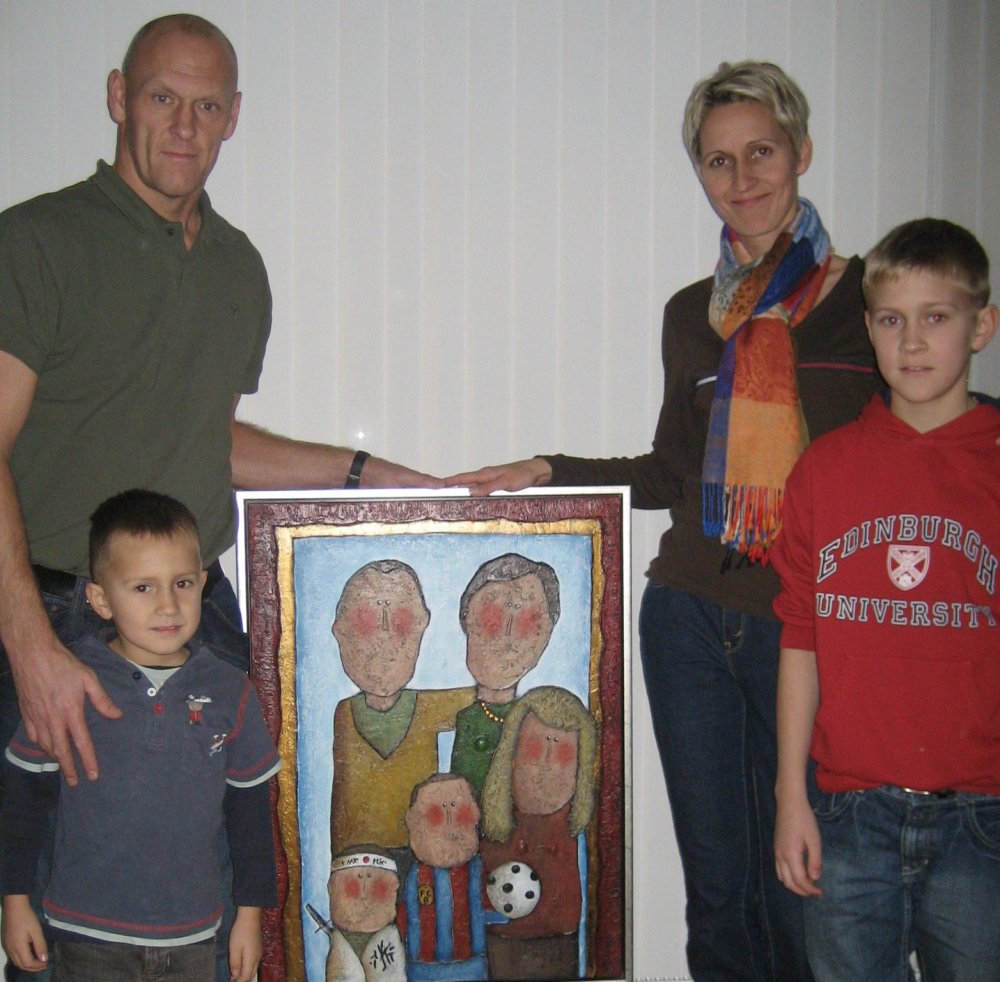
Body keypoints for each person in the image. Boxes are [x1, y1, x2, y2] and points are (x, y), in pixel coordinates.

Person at [448, 60, 882, 979]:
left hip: (804, 624)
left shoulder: (870, 300)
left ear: (801, 151)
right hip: (687, 617)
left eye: (761, 151)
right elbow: (672, 471)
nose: (742, 177)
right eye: (718, 161)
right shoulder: (693, 314)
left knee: (804, 882)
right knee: (718, 887)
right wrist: (546, 470)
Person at [0, 11, 437, 802]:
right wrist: (30, 648)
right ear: (118, 97)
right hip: (58, 609)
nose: (184, 127)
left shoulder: (239, 267)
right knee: (61, 865)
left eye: (206, 106)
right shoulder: (35, 241)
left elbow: (208, 438)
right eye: (162, 98)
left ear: (232, 115)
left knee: (220, 852)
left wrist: (367, 474)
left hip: (196, 614)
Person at [771, 218, 1000, 979]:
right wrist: (791, 796)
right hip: (848, 814)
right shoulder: (824, 470)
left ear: (981, 326)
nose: (912, 342)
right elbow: (799, 638)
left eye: (936, 317)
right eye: (892, 321)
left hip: (983, 818)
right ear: (869, 329)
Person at [0, 489, 281, 982]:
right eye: (143, 588)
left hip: (194, 940)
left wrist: (249, 918)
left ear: (203, 583)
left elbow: (251, 817)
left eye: (182, 583)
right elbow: (24, 805)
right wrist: (15, 903)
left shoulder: (230, 690)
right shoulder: (68, 688)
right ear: (101, 600)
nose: (168, 606)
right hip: (84, 938)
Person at [330, 561, 472, 857]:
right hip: (359, 861)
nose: (384, 637)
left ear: (421, 629)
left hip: (419, 855)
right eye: (367, 621)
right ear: (341, 632)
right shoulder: (344, 713)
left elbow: (480, 698)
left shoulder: (429, 707)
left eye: (401, 622)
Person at [479, 686, 597, 981]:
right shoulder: (485, 829)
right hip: (496, 952)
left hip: (561, 953)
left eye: (564, 754)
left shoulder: (586, 842)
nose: (547, 764)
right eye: (534, 748)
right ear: (511, 755)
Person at [450, 554, 560, 799]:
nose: (507, 634)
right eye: (492, 617)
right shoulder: (439, 712)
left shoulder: (548, 729)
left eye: (528, 621)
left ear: (544, 638)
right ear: (467, 619)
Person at [397, 774, 500, 982]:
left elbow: (492, 907)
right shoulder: (415, 876)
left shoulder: (478, 870)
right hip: (421, 969)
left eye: (460, 812)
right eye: (436, 814)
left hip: (472, 966)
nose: (449, 822)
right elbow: (404, 915)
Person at [323, 846, 405, 982]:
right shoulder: (326, 943)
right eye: (352, 887)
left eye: (378, 887)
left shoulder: (393, 940)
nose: (364, 894)